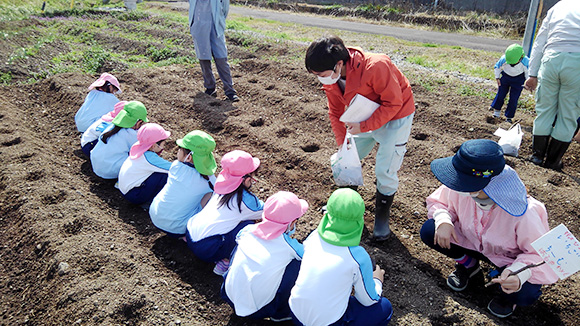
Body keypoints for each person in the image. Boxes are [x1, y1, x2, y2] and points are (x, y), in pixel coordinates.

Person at [419, 139, 559, 318]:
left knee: (525, 294)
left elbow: (540, 254)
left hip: (509, 260)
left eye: (464, 183)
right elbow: (439, 202)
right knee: (430, 231)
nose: (458, 186)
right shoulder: (464, 186)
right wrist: (443, 219)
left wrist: (518, 274)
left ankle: (507, 294)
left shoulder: (525, 213)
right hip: (472, 243)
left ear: (490, 185)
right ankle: (469, 266)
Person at [304, 35, 415, 241]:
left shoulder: (376, 66)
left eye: (320, 74)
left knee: (386, 167)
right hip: (362, 113)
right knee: (345, 159)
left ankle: (381, 217)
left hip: (396, 115)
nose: (319, 78)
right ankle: (346, 204)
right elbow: (335, 112)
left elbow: (393, 103)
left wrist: (364, 126)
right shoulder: (333, 79)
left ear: (339, 64)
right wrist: (341, 144)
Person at [289, 188, 392, 326]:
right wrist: (377, 280)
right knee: (384, 308)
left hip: (296, 314)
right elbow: (368, 300)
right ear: (360, 219)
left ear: (327, 214)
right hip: (327, 323)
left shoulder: (313, 237)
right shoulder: (358, 257)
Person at [221, 191, 308, 322]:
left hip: (229, 296)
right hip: (259, 309)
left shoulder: (248, 230)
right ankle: (281, 313)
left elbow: (239, 238)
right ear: (292, 223)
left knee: (239, 247)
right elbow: (308, 256)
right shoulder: (288, 246)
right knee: (296, 265)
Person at [185, 150, 263, 275]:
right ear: (246, 179)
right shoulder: (245, 201)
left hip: (189, 232)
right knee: (248, 225)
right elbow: (268, 213)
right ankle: (225, 261)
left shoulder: (221, 185)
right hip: (206, 249)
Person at [524, 0, 580, 170]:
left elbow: (540, 41)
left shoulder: (558, 6)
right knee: (568, 114)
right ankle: (553, 161)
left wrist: (532, 74)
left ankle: (537, 157)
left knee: (545, 111)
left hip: (551, 59)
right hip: (576, 63)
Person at [149, 130, 217, 239]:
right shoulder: (209, 181)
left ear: (189, 157)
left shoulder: (176, 166)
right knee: (211, 196)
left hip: (155, 215)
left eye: (180, 149)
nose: (177, 151)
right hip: (177, 228)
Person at [188, 0, 239, 102]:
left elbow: (225, 7)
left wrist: (221, 20)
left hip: (215, 26)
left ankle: (230, 91)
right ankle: (210, 87)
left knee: (221, 58)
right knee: (203, 58)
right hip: (199, 25)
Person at [90, 101, 148, 179]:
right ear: (138, 122)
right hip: (110, 171)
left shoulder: (112, 126)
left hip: (95, 165)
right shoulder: (131, 134)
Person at [118, 123, 172, 205]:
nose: (163, 147)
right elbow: (173, 168)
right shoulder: (149, 158)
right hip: (134, 195)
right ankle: (149, 202)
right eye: (163, 144)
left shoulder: (138, 147)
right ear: (154, 145)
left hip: (124, 189)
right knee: (164, 176)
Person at [489, 44, 529, 124]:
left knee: (513, 99)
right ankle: (496, 113)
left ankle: (509, 117)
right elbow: (497, 67)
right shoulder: (504, 59)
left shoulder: (526, 61)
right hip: (505, 77)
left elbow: (528, 73)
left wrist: (527, 83)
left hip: (518, 80)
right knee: (500, 95)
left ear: (521, 57)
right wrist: (497, 78)